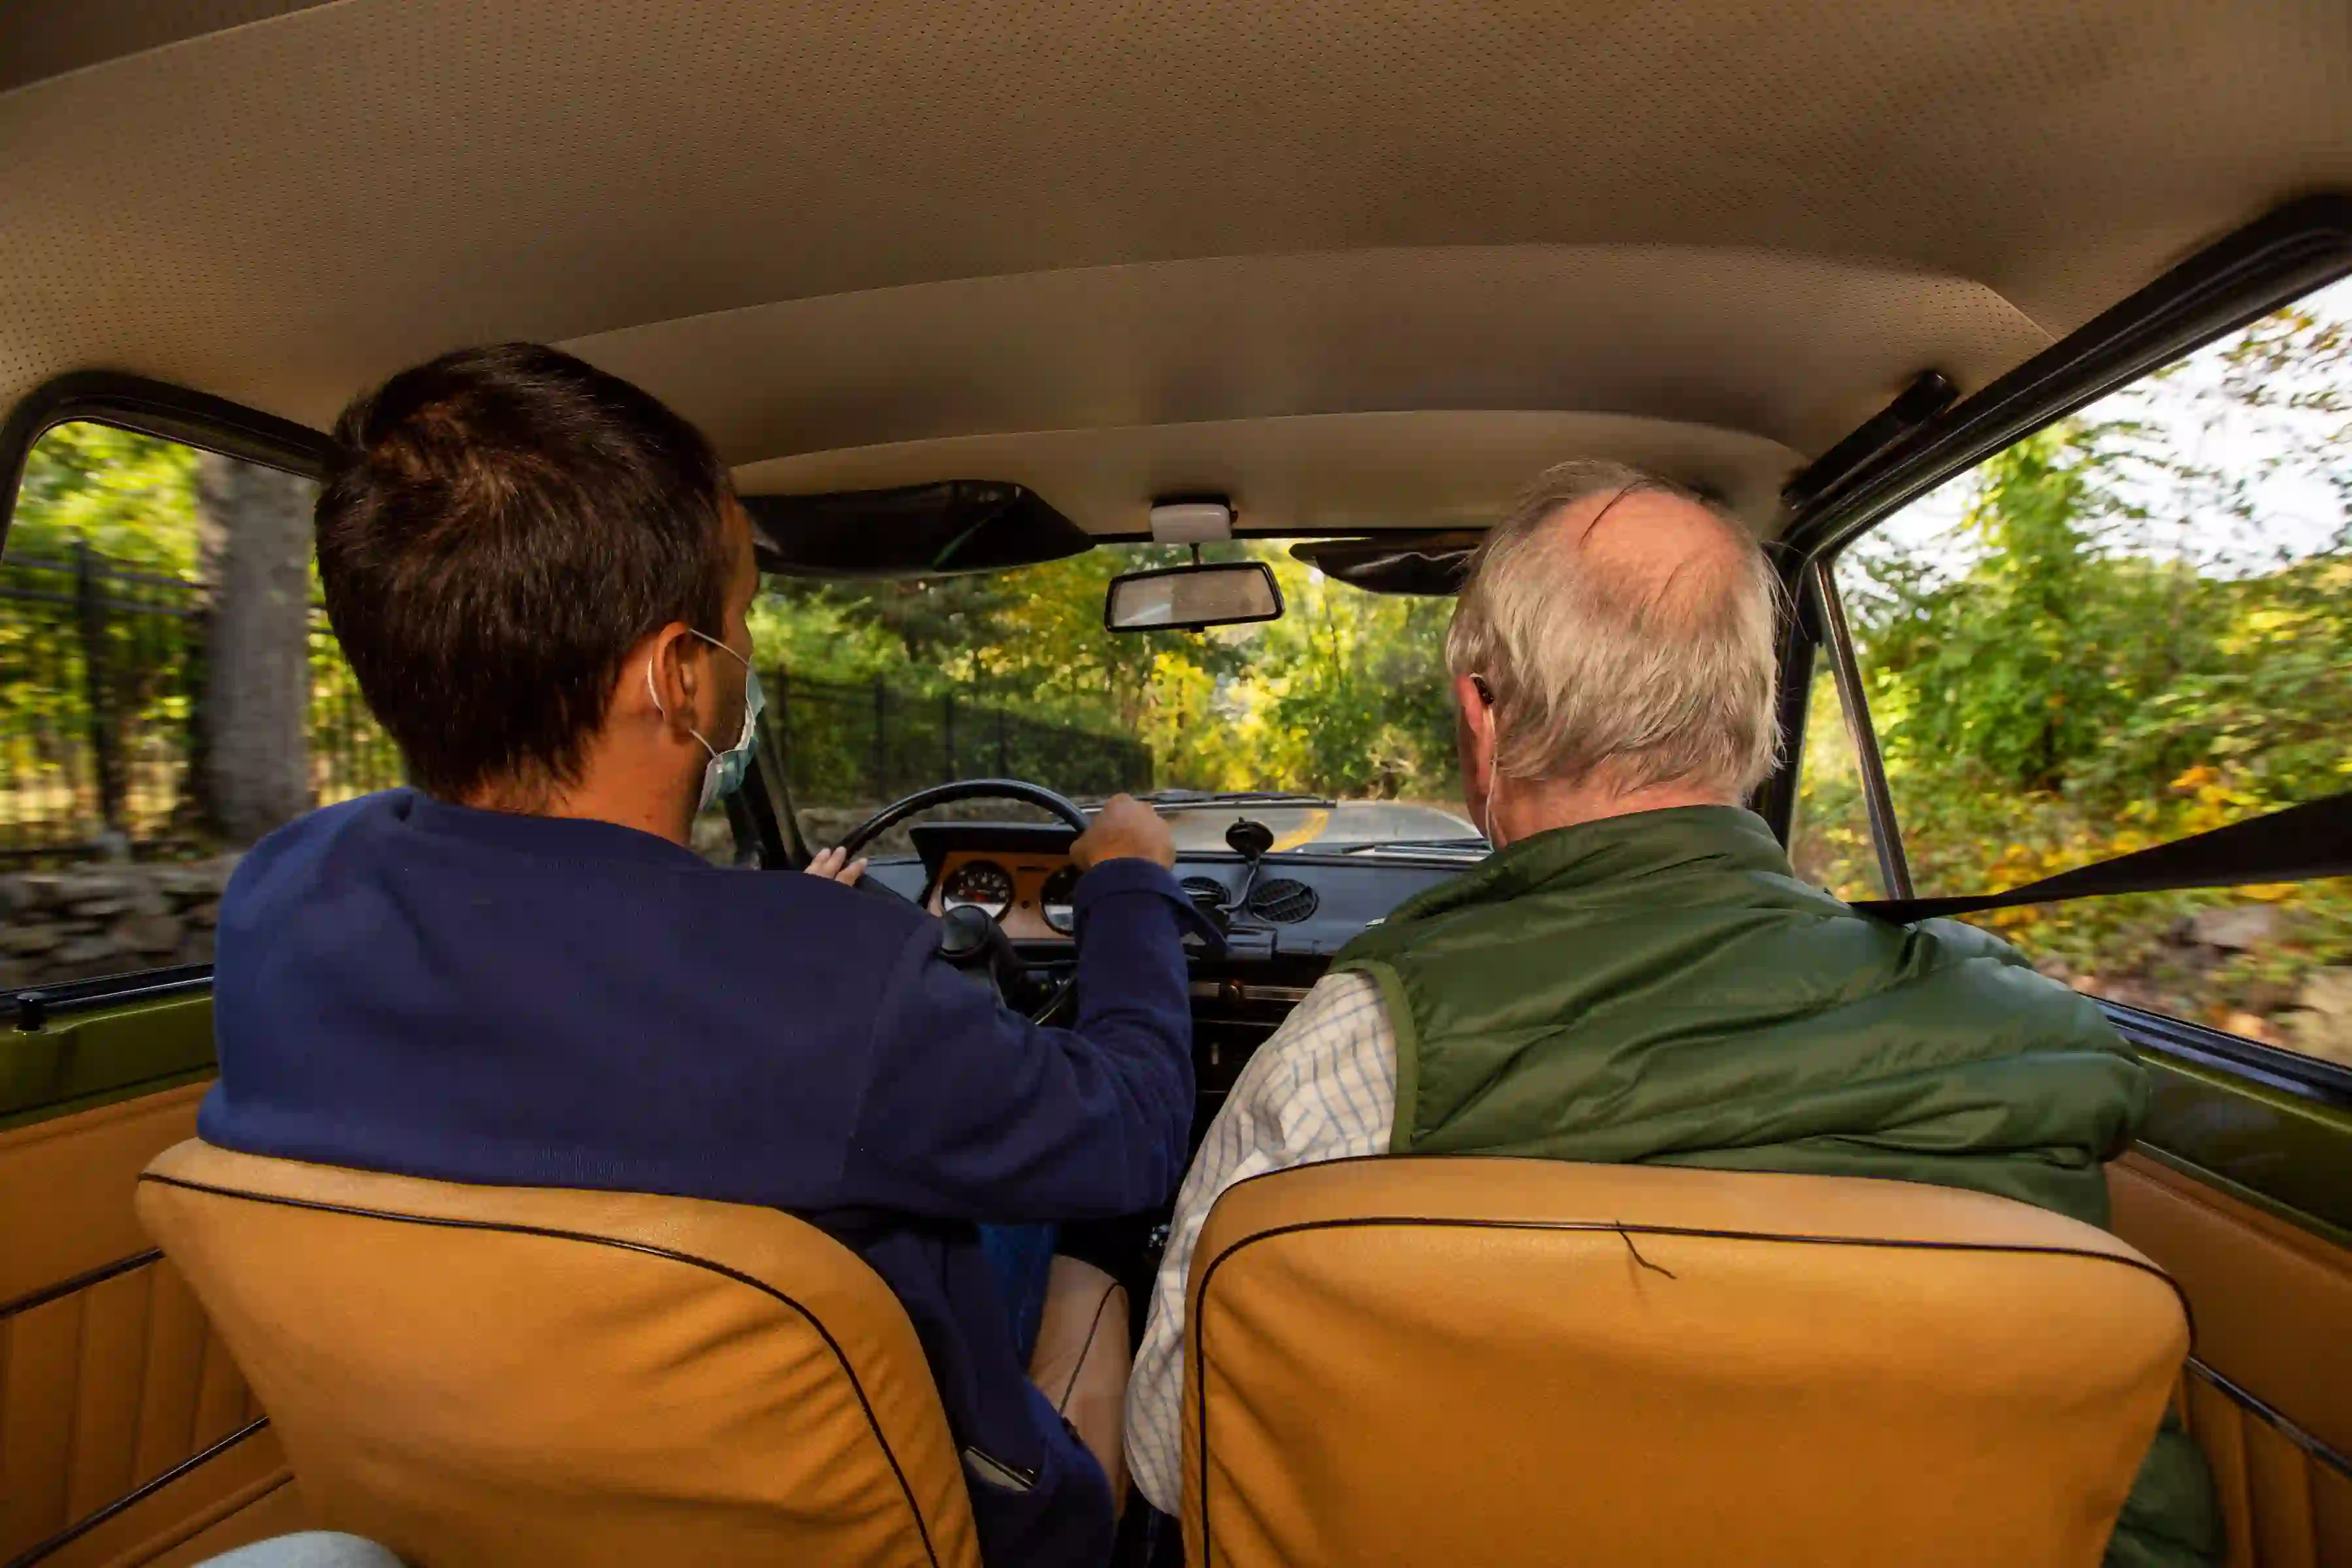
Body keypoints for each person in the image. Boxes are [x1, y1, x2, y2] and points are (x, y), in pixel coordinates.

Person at [201, 343, 1206, 1568]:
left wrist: (781, 934)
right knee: (1089, 1267)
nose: (747, 650)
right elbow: (1134, 1132)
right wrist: (1131, 884)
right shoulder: (832, 984)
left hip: (479, 1516)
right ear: (680, 678)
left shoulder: (281, 899)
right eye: (743, 616)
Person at [1122, 459, 2221, 1567]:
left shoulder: (1360, 1049)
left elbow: (1177, 1449)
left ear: (1483, 719)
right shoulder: (2028, 1037)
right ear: (1756, 715)